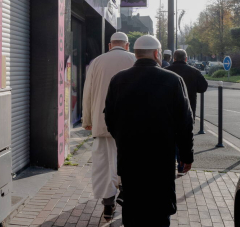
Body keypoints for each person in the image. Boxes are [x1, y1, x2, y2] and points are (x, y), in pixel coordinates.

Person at [104, 35, 194, 227]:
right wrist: (186, 155)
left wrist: (122, 138)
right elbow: (185, 122)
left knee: (132, 208)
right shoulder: (173, 80)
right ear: (156, 53)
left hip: (129, 157)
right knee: (160, 211)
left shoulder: (118, 80)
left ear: (136, 54)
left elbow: (109, 117)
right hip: (161, 159)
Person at [82, 32, 136, 220]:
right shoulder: (134, 59)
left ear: (109, 45)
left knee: (104, 165)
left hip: (102, 122)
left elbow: (87, 92)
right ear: (127, 45)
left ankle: (108, 204)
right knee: (129, 163)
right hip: (130, 125)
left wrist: (87, 119)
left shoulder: (97, 62)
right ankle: (128, 201)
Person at [165, 49, 208, 175]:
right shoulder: (194, 71)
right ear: (186, 58)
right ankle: (181, 165)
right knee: (185, 137)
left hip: (169, 110)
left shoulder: (166, 71)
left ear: (174, 58)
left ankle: (170, 165)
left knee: (170, 138)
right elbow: (203, 88)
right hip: (188, 109)